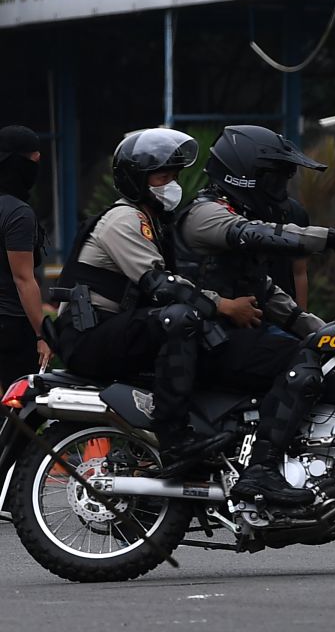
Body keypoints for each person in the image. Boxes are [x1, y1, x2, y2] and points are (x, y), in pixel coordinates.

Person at [54, 129, 291, 493]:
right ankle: (174, 439)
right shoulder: (123, 220)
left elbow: (179, 284)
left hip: (119, 330)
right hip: (88, 336)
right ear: (136, 180)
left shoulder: (154, 223)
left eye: (175, 176)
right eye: (162, 177)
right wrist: (223, 306)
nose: (172, 184)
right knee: (179, 318)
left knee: (210, 337)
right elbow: (161, 286)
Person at [174, 125, 335, 504]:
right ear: (245, 175)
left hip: (218, 336)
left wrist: (322, 330)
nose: (281, 187)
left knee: (312, 347)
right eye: (275, 177)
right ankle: (261, 468)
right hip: (201, 336)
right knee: (298, 360)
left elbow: (264, 291)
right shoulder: (207, 213)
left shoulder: (232, 211)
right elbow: (257, 233)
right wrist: (332, 238)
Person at [0, 126, 50, 387]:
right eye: (33, 160)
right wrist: (42, 334)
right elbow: (23, 279)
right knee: (19, 416)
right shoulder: (18, 213)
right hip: (11, 326)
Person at [266, 197, 311, 309]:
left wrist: (302, 315)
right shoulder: (238, 207)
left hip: (283, 307)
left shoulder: (295, 212)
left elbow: (299, 271)